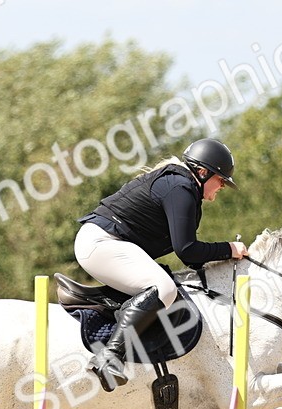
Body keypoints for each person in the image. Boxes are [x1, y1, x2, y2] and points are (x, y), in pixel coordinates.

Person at [75, 137, 248, 391]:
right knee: (163, 289)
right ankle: (108, 357)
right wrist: (229, 249)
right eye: (220, 180)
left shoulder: (181, 185)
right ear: (202, 172)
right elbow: (187, 249)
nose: (221, 186)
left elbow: (189, 257)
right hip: (101, 243)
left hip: (105, 242)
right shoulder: (181, 187)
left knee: (164, 286)